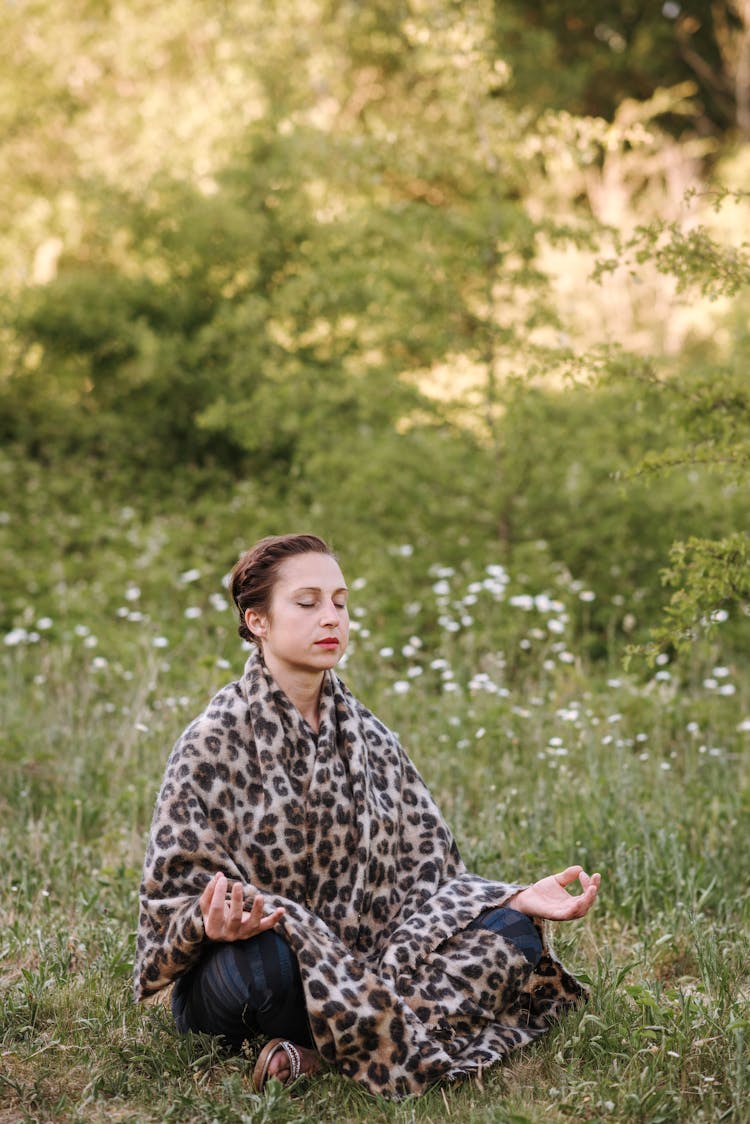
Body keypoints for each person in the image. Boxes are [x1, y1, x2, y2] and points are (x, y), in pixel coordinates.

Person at [134, 533, 600, 1099]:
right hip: (263, 977)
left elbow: (433, 877)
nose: (330, 617)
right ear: (257, 620)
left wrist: (507, 899)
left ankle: (319, 1055)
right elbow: (169, 898)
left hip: (377, 966)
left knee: (515, 936)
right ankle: (381, 1029)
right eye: (307, 603)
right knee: (265, 962)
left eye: (340, 601)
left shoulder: (371, 737)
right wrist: (207, 924)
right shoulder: (211, 741)